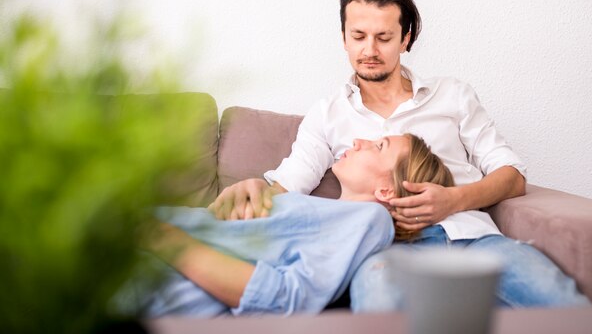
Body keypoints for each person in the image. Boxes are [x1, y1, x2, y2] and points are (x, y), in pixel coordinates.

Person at [209, 0, 590, 309]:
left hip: (471, 238)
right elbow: (288, 185)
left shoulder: (453, 96)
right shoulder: (328, 113)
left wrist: (453, 200)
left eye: (384, 37)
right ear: (343, 38)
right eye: (358, 36)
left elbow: (512, 176)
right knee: (378, 305)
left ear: (406, 38)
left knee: (561, 303)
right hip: (381, 252)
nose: (369, 50)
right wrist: (254, 188)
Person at [122, 134, 452, 317]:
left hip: (144, 268)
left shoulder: (371, 220)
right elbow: (229, 237)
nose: (360, 140)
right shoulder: (327, 212)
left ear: (387, 191)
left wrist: (164, 239)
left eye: (380, 147)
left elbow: (282, 298)